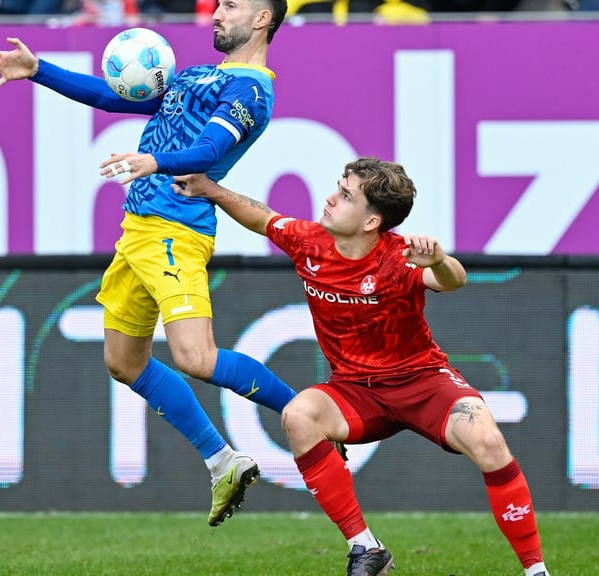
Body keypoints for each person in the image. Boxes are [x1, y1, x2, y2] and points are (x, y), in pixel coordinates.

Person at [0, 0, 291, 528]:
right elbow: (111, 94)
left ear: (262, 19)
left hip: (176, 231)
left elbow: (210, 148)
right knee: (124, 362)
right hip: (137, 232)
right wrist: (38, 71)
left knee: (197, 357)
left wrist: (155, 160)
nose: (216, 11)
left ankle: (305, 411)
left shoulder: (250, 90)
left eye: (231, 4)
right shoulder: (195, 76)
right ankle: (223, 461)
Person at [173, 158, 552, 576]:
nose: (331, 197)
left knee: (490, 444)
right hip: (356, 391)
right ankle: (365, 548)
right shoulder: (308, 241)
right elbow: (263, 219)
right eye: (338, 187)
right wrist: (210, 189)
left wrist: (439, 260)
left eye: (346, 194)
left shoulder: (401, 257)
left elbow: (453, 280)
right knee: (299, 415)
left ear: (372, 220)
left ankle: (536, 571)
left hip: (422, 384)